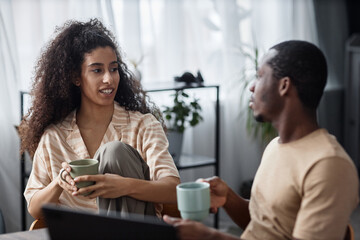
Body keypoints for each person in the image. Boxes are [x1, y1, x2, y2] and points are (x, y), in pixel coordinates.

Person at [164, 40, 359, 239]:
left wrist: (210, 236)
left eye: (260, 76)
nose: (251, 87)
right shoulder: (275, 147)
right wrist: (229, 198)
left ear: (284, 86)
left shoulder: (329, 165)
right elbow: (265, 225)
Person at [19, 18, 180, 220]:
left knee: (114, 152)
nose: (109, 79)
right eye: (97, 70)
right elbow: (34, 209)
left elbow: (173, 189)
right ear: (76, 77)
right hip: (78, 234)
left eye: (113, 69)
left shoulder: (143, 125)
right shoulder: (54, 137)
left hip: (136, 233)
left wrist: (124, 186)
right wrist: (59, 183)